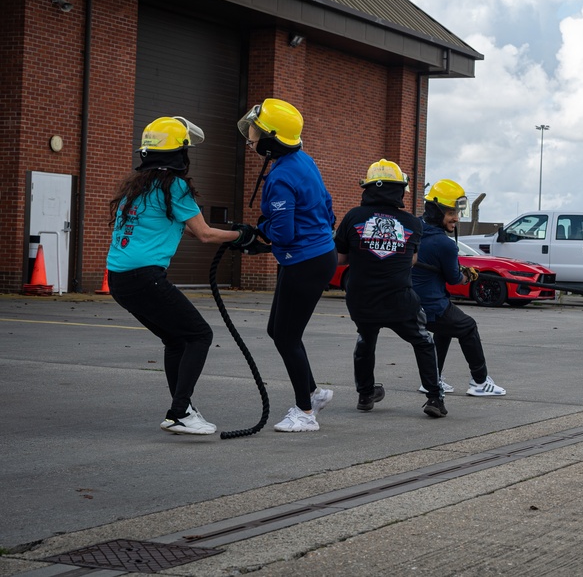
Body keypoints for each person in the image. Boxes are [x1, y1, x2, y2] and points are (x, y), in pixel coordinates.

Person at [107, 116, 256, 435]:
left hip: (120, 279)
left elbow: (179, 229)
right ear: (180, 152)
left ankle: (182, 408)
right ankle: (179, 413)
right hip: (145, 277)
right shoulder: (174, 185)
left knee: (176, 339)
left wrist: (230, 236)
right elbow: (203, 234)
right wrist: (243, 236)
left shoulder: (137, 186)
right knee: (200, 335)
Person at [238, 98, 338, 432]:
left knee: (286, 335)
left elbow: (282, 232)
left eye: (255, 132)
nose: (250, 137)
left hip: (305, 262)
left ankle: (306, 413)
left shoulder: (280, 178)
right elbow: (327, 205)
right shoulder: (302, 159)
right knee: (278, 331)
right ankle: (313, 393)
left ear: (271, 138)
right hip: (317, 255)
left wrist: (257, 231)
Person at [334, 159, 447, 418]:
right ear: (399, 191)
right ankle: (434, 399)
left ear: (369, 188)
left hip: (361, 299)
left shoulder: (353, 217)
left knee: (366, 339)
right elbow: (412, 261)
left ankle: (365, 394)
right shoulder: (413, 223)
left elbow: (339, 259)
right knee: (422, 341)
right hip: (399, 299)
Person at [412, 179, 507, 397]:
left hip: (413, 303)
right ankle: (480, 382)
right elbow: (455, 279)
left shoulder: (415, 228)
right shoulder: (444, 244)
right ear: (437, 213)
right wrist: (467, 275)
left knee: (445, 330)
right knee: (467, 326)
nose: (456, 218)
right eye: (451, 212)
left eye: (457, 212)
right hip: (431, 305)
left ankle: (431, 379)